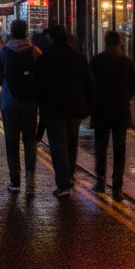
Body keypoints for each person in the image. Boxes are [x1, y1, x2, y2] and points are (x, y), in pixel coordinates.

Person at [35, 25, 93, 198]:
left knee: (58, 146)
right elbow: (89, 84)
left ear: (51, 38)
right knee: (71, 144)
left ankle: (63, 183)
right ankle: (69, 177)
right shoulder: (79, 57)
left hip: (54, 108)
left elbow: (39, 86)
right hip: (75, 108)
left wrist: (41, 106)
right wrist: (88, 106)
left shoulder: (45, 58)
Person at [0, 19, 43, 193]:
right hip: (30, 103)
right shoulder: (35, 52)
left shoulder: (3, 52)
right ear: (26, 32)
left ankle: (15, 181)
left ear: (11, 32)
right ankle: (31, 181)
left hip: (9, 103)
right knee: (30, 140)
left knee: (11, 141)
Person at [89, 31, 135, 201]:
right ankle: (117, 186)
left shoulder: (96, 61)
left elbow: (90, 85)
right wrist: (126, 98)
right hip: (120, 111)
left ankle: (100, 181)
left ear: (105, 42)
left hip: (101, 110)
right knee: (119, 149)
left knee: (100, 148)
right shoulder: (127, 62)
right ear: (120, 43)